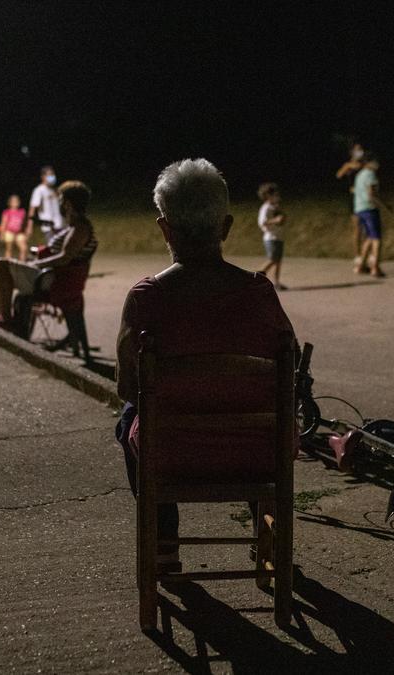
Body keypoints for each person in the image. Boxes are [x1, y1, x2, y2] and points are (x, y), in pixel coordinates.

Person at [114, 158, 296, 573]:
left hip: (172, 454)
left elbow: (128, 387)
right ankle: (268, 539)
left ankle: (163, 544)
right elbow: (288, 370)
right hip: (258, 453)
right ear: (227, 227)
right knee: (262, 413)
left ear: (164, 227)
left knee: (128, 418)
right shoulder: (259, 294)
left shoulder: (145, 299)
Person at [0, 180, 97, 361]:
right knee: (16, 287)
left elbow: (65, 257)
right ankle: (11, 322)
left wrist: (37, 265)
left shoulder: (80, 228)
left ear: (69, 203)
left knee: (1, 265)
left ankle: (6, 319)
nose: (60, 203)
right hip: (53, 276)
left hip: (54, 280)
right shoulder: (75, 226)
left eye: (62, 199)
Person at [352, 152, 391, 277]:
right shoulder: (370, 174)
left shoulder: (359, 175)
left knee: (369, 237)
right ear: (368, 163)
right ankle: (375, 267)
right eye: (374, 161)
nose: (377, 164)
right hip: (369, 208)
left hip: (359, 208)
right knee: (377, 238)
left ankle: (361, 266)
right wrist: (385, 205)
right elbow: (371, 194)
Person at [335, 140, 365, 258]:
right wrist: (347, 167)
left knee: (366, 229)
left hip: (364, 196)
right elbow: (338, 175)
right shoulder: (348, 165)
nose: (359, 152)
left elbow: (366, 166)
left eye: (360, 149)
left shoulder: (364, 164)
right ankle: (358, 256)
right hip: (354, 197)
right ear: (352, 152)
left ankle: (366, 254)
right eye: (357, 150)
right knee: (357, 228)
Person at [256, 182, 288, 290]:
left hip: (278, 237)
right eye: (275, 195)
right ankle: (256, 277)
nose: (278, 197)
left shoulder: (275, 207)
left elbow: (282, 219)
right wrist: (275, 220)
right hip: (271, 238)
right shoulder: (266, 208)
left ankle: (276, 283)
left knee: (278, 261)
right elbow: (262, 222)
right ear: (267, 196)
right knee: (273, 259)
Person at [26, 165, 62, 244]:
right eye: (49, 175)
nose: (52, 177)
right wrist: (29, 226)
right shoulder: (39, 190)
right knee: (53, 248)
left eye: (53, 175)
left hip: (59, 224)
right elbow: (32, 208)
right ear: (43, 177)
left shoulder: (54, 190)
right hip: (49, 226)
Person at [0, 194, 28, 261]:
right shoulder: (7, 212)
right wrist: (1, 234)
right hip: (9, 232)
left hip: (19, 233)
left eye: (17, 201)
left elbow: (24, 223)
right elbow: (3, 223)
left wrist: (26, 232)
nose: (15, 203)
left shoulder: (22, 212)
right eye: (13, 201)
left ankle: (22, 264)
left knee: (24, 248)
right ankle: (8, 264)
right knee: (9, 248)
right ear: (10, 203)